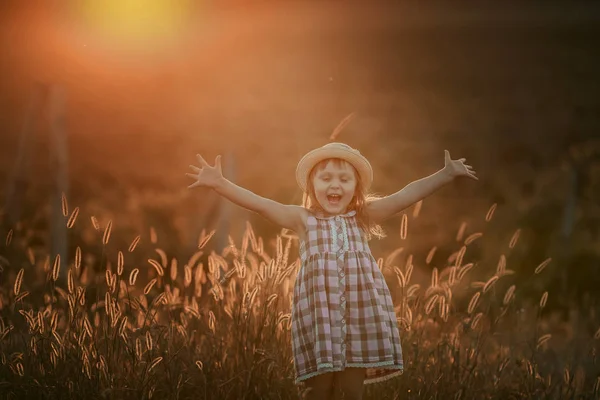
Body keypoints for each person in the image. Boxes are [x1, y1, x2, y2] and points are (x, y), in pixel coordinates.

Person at [186, 142, 478, 399]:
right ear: (312, 185)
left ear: (356, 188)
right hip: (319, 317)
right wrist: (220, 184)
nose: (334, 185)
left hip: (359, 316)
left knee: (351, 391)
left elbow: (406, 195)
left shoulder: (363, 216)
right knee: (319, 389)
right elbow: (261, 205)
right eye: (325, 178)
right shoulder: (302, 219)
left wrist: (445, 174)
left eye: (344, 179)